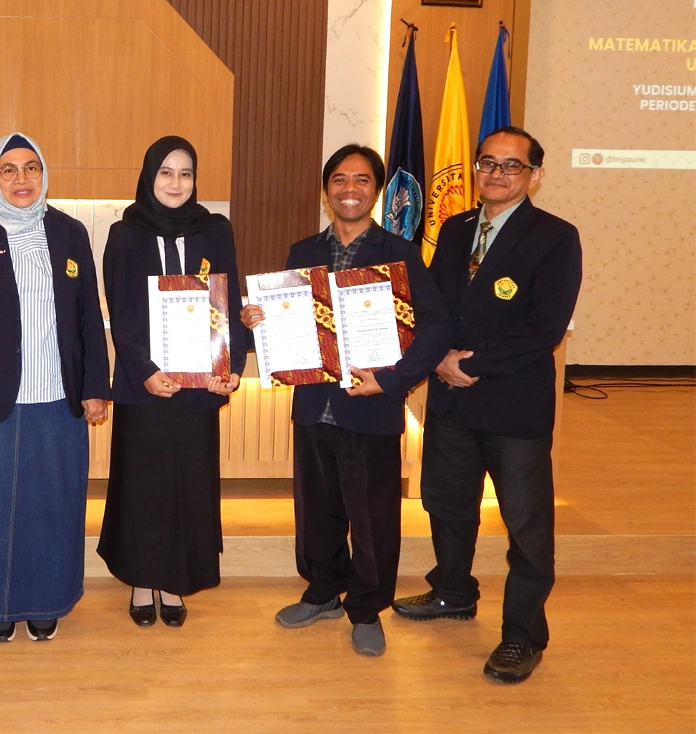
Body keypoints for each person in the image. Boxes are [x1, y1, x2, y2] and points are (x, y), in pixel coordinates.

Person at [243, 144, 451, 656]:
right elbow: (286, 326)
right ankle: (322, 592)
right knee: (316, 510)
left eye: (361, 180)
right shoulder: (302, 252)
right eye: (339, 179)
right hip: (314, 405)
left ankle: (366, 608)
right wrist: (256, 321)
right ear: (326, 190)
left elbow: (436, 325)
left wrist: (393, 380)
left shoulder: (399, 253)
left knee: (373, 517)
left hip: (371, 407)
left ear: (376, 191)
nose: (349, 189)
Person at [393, 127, 582, 685]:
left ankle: (523, 635)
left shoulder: (555, 237)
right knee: (447, 505)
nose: (496, 174)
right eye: (487, 163)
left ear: (534, 175)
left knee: (526, 527)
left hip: (512, 407)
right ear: (475, 169)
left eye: (511, 165)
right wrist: (437, 358)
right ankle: (453, 591)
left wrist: (469, 362)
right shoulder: (454, 229)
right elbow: (432, 306)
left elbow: (544, 328)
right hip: (452, 401)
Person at [0, 132, 110, 642]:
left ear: (43, 174)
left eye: (31, 167)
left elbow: (87, 316)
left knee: (51, 506)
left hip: (57, 396)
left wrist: (95, 386)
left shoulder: (70, 233)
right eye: (8, 169)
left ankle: (46, 601)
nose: (21, 178)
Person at [97, 135, 246, 628]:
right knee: (143, 485)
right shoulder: (125, 234)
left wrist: (231, 367)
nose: (176, 183)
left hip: (200, 385)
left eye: (185, 173)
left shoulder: (215, 230)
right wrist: (145, 372)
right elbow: (121, 312)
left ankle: (175, 581)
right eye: (166, 172)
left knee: (189, 484)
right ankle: (142, 579)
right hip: (145, 386)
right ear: (149, 176)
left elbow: (229, 300)